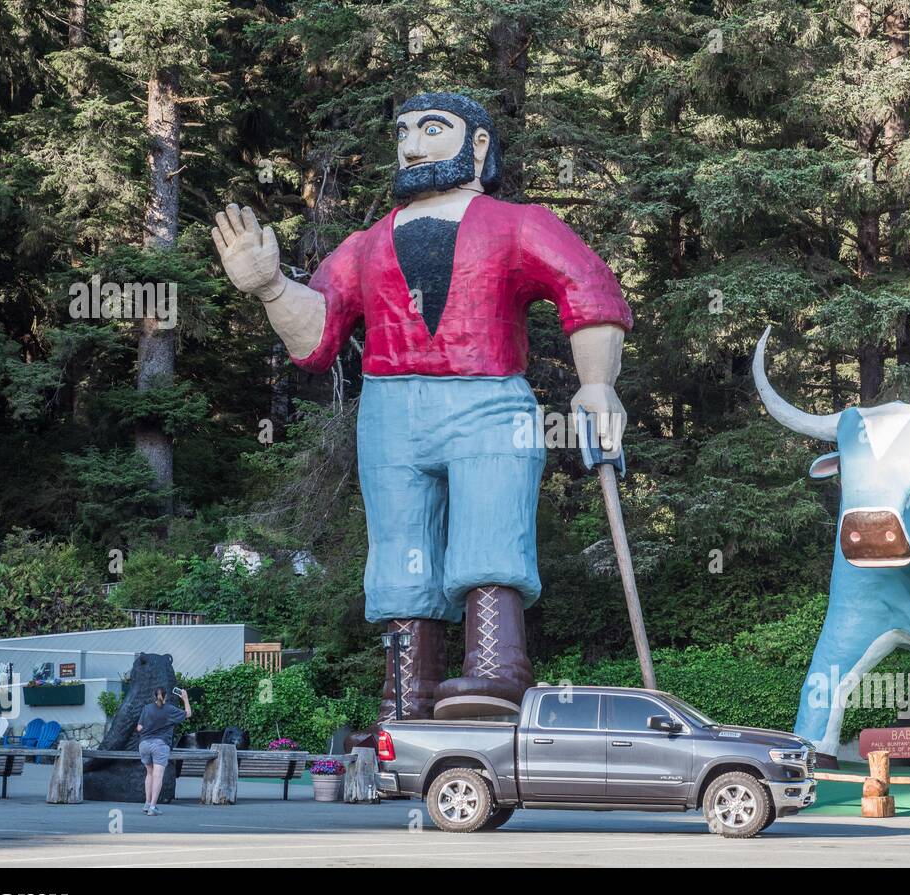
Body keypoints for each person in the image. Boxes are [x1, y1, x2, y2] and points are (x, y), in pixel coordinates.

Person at [212, 91, 631, 724]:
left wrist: (596, 383)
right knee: (399, 547)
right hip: (390, 408)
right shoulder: (364, 244)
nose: (411, 144)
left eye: (432, 129)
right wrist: (270, 286)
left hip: (488, 399)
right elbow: (317, 337)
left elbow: (588, 289)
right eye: (403, 131)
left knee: (490, 528)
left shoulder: (520, 224)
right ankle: (406, 691)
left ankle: (497, 668)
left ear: (479, 145)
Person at [136, 687, 191, 815]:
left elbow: (139, 728)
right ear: (165, 696)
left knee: (149, 773)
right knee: (157, 776)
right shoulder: (169, 709)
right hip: (160, 745)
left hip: (144, 744)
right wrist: (185, 699)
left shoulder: (147, 708)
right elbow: (188, 714)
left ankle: (147, 803)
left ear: (154, 696)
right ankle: (153, 807)